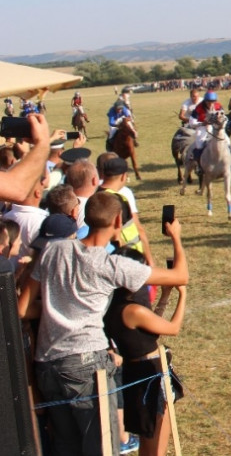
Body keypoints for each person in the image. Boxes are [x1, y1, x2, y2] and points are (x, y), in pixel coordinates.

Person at [17, 192, 189, 456]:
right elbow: (180, 275)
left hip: (47, 364)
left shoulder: (53, 250)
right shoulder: (110, 265)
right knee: (100, 448)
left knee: (65, 447)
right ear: (118, 220)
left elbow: (23, 308)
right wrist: (175, 236)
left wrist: (56, 305)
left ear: (84, 217)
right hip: (87, 367)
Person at [104, 265, 186, 456]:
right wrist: (183, 295)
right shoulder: (132, 311)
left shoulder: (116, 308)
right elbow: (173, 328)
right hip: (151, 378)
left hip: (136, 376)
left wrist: (165, 296)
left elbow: (149, 334)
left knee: (147, 444)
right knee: (156, 448)